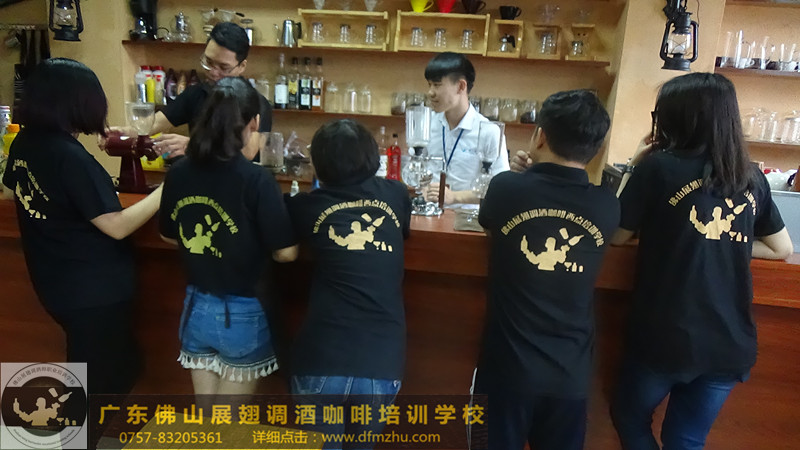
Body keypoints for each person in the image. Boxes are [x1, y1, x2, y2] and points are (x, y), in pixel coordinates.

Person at [610, 72, 793, 450]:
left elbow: (616, 235)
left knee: (629, 416)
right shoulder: (751, 176)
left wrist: (632, 165)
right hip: (729, 343)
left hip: (666, 337)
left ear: (678, 118)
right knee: (687, 440)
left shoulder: (658, 168)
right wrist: (724, 244)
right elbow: (781, 248)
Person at [1, 58, 163, 394]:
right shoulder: (69, 157)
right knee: (97, 384)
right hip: (92, 291)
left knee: (121, 367)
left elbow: (14, 188)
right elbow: (116, 226)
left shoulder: (25, 143)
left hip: (55, 283)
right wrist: (166, 191)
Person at [473, 90, 619, 450]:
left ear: (539, 136)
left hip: (505, 371)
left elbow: (492, 223)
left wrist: (525, 173)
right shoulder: (606, 205)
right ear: (598, 149)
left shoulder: (506, 188)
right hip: (569, 377)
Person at [158, 77, 297, 395]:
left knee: (207, 419)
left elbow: (169, 235)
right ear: (254, 123)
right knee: (227, 423)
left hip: (196, 307)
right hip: (243, 313)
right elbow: (286, 253)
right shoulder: (256, 179)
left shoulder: (179, 171)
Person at [285, 119, 411, 448]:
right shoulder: (396, 195)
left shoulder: (303, 207)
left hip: (320, 360)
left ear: (318, 165)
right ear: (373, 158)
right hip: (381, 364)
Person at [127, 22, 271, 158]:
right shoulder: (196, 94)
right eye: (209, 62)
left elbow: (248, 152)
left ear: (241, 66)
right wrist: (121, 133)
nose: (213, 72)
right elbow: (151, 124)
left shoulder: (256, 103)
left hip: (240, 176)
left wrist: (191, 145)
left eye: (223, 67)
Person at [422, 52, 509, 206]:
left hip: (468, 217)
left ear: (461, 86)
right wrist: (423, 188)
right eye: (429, 85)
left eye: (437, 85)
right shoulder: (428, 124)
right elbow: (418, 172)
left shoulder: (489, 131)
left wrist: (455, 197)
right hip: (430, 213)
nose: (430, 92)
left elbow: (501, 189)